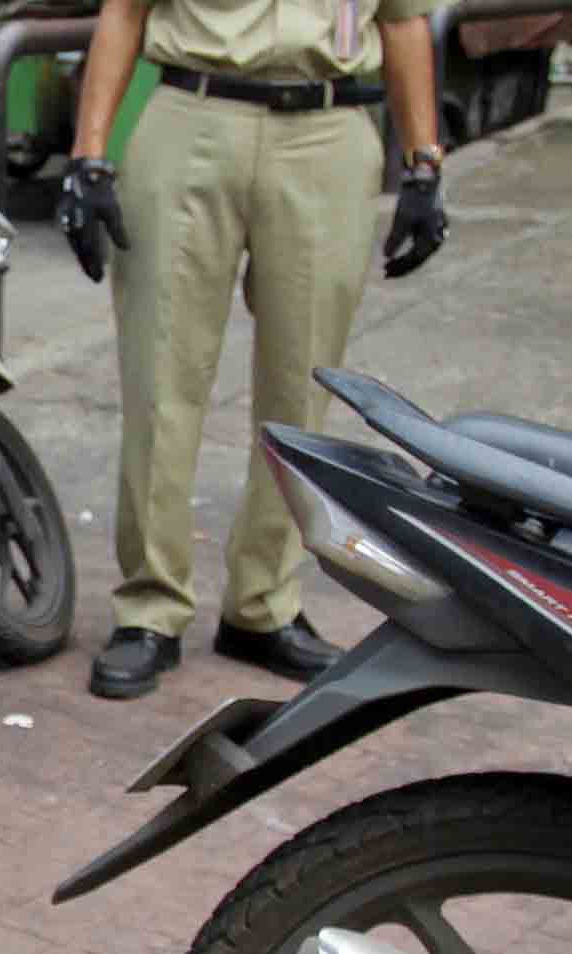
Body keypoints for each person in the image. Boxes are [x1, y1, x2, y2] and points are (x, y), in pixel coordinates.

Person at [57, 0, 448, 700]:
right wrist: (88, 157)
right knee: (160, 377)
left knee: (301, 385)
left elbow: (402, 21)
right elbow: (123, 13)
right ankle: (150, 609)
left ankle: (262, 605)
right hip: (190, 123)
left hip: (327, 136)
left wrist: (423, 164)